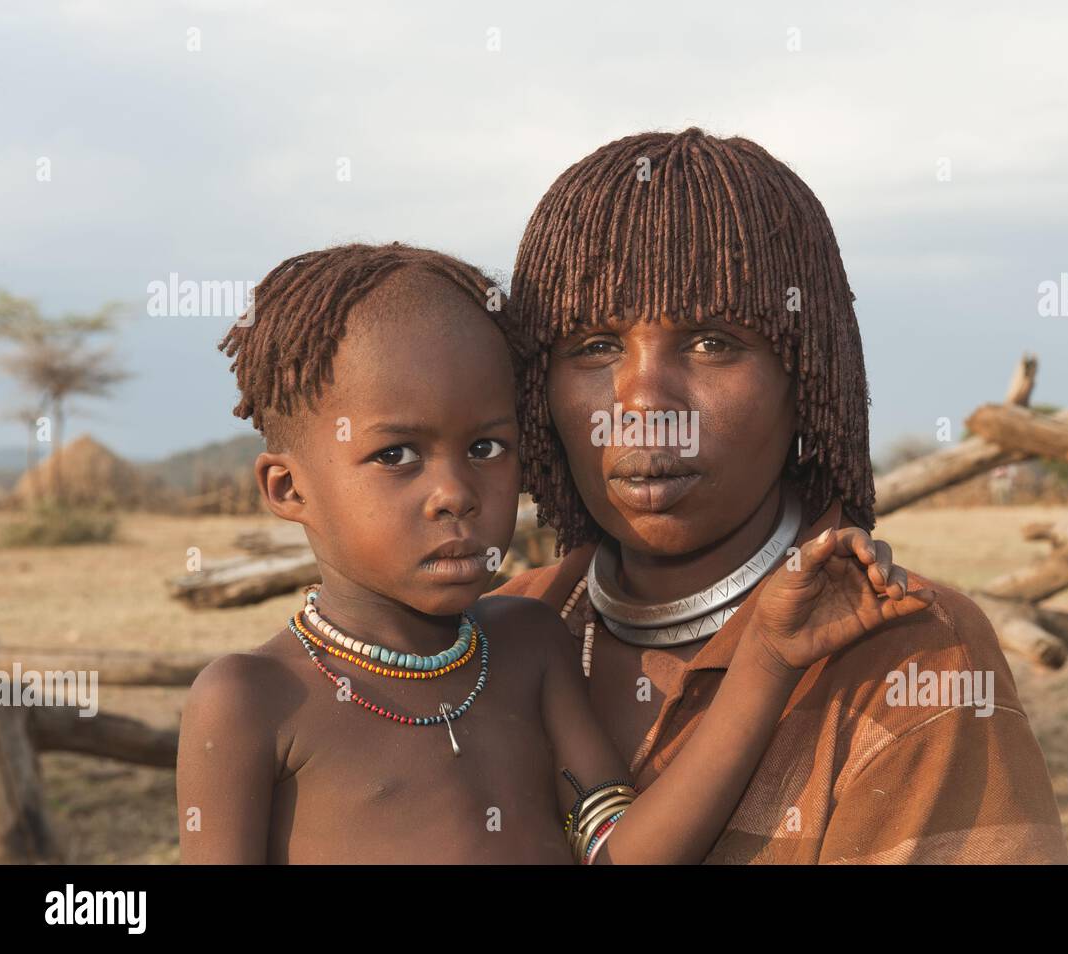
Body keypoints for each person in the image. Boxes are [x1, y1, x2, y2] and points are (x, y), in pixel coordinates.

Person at [176, 241, 932, 864]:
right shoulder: (251, 701)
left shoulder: (527, 644)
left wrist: (766, 656)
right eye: (397, 455)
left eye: (485, 447)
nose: (455, 493)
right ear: (287, 489)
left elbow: (626, 855)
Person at [493, 128, 1068, 863]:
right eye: (593, 346)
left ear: (806, 379)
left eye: (712, 342)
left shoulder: (909, 658)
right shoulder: (492, 636)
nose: (642, 401)